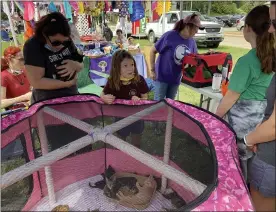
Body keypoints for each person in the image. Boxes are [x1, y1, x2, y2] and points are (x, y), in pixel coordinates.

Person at [215, 5, 275, 181]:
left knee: (238, 170)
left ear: (247, 28)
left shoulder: (247, 61)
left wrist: (214, 118)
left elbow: (231, 96)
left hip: (242, 125)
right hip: (261, 125)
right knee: (254, 168)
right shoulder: (271, 55)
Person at [243, 2, 276, 211]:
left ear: (248, 29)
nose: (271, 28)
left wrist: (250, 139)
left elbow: (274, 126)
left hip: (270, 158)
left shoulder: (246, 62)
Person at [23, 12, 84, 104]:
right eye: (56, 43)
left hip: (71, 94)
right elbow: (36, 82)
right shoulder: (32, 46)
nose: (61, 46)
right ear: (44, 34)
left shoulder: (65, 39)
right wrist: (67, 84)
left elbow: (81, 63)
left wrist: (75, 65)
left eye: (65, 42)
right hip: (47, 101)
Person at [101, 50, 149, 148]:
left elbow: (145, 97)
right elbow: (102, 93)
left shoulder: (139, 80)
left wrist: (140, 100)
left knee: (136, 142)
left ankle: (136, 156)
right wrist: (104, 98)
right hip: (120, 118)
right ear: (116, 68)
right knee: (120, 142)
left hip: (137, 117)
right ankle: (121, 159)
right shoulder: (112, 81)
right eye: (125, 66)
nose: (130, 68)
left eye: (132, 64)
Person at [150, 13, 201, 101]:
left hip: (176, 79)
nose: (196, 33)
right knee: (158, 106)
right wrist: (152, 70)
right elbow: (152, 51)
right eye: (195, 30)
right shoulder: (169, 36)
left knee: (171, 105)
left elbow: (196, 59)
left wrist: (209, 54)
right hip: (162, 77)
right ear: (188, 27)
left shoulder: (192, 42)